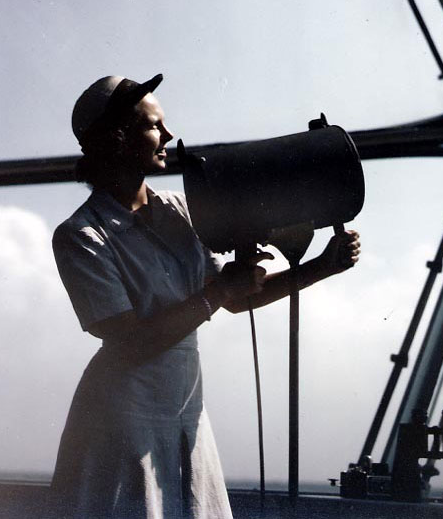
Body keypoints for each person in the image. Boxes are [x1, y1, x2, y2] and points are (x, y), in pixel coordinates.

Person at [49, 73, 360, 519]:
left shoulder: (180, 210)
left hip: (185, 413)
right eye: (154, 125)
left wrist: (320, 268)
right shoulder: (81, 235)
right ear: (118, 138)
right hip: (120, 423)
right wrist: (219, 293)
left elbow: (234, 298)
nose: (168, 136)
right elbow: (128, 342)